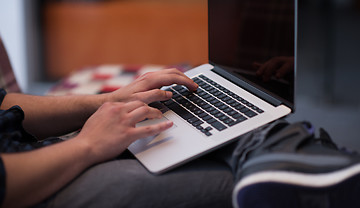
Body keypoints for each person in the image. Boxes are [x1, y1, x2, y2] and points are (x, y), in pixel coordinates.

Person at [0, 68, 234, 208]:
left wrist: (109, 101)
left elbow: (3, 106)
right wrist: (88, 144)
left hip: (28, 152)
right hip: (22, 190)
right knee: (233, 179)